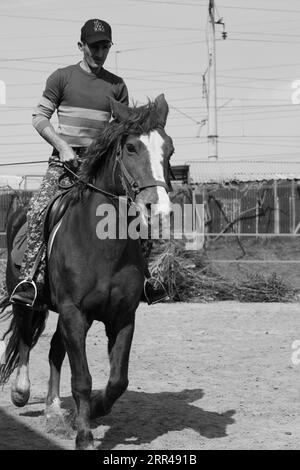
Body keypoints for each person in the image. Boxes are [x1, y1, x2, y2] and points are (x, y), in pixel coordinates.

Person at [10, 18, 168, 307]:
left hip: (99, 169)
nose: (99, 52)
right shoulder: (62, 78)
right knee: (37, 211)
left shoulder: (117, 85)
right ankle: (32, 280)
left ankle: (144, 278)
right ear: (81, 46)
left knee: (139, 216)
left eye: (105, 46)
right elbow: (39, 118)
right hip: (64, 165)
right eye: (94, 46)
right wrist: (62, 146)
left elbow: (124, 129)